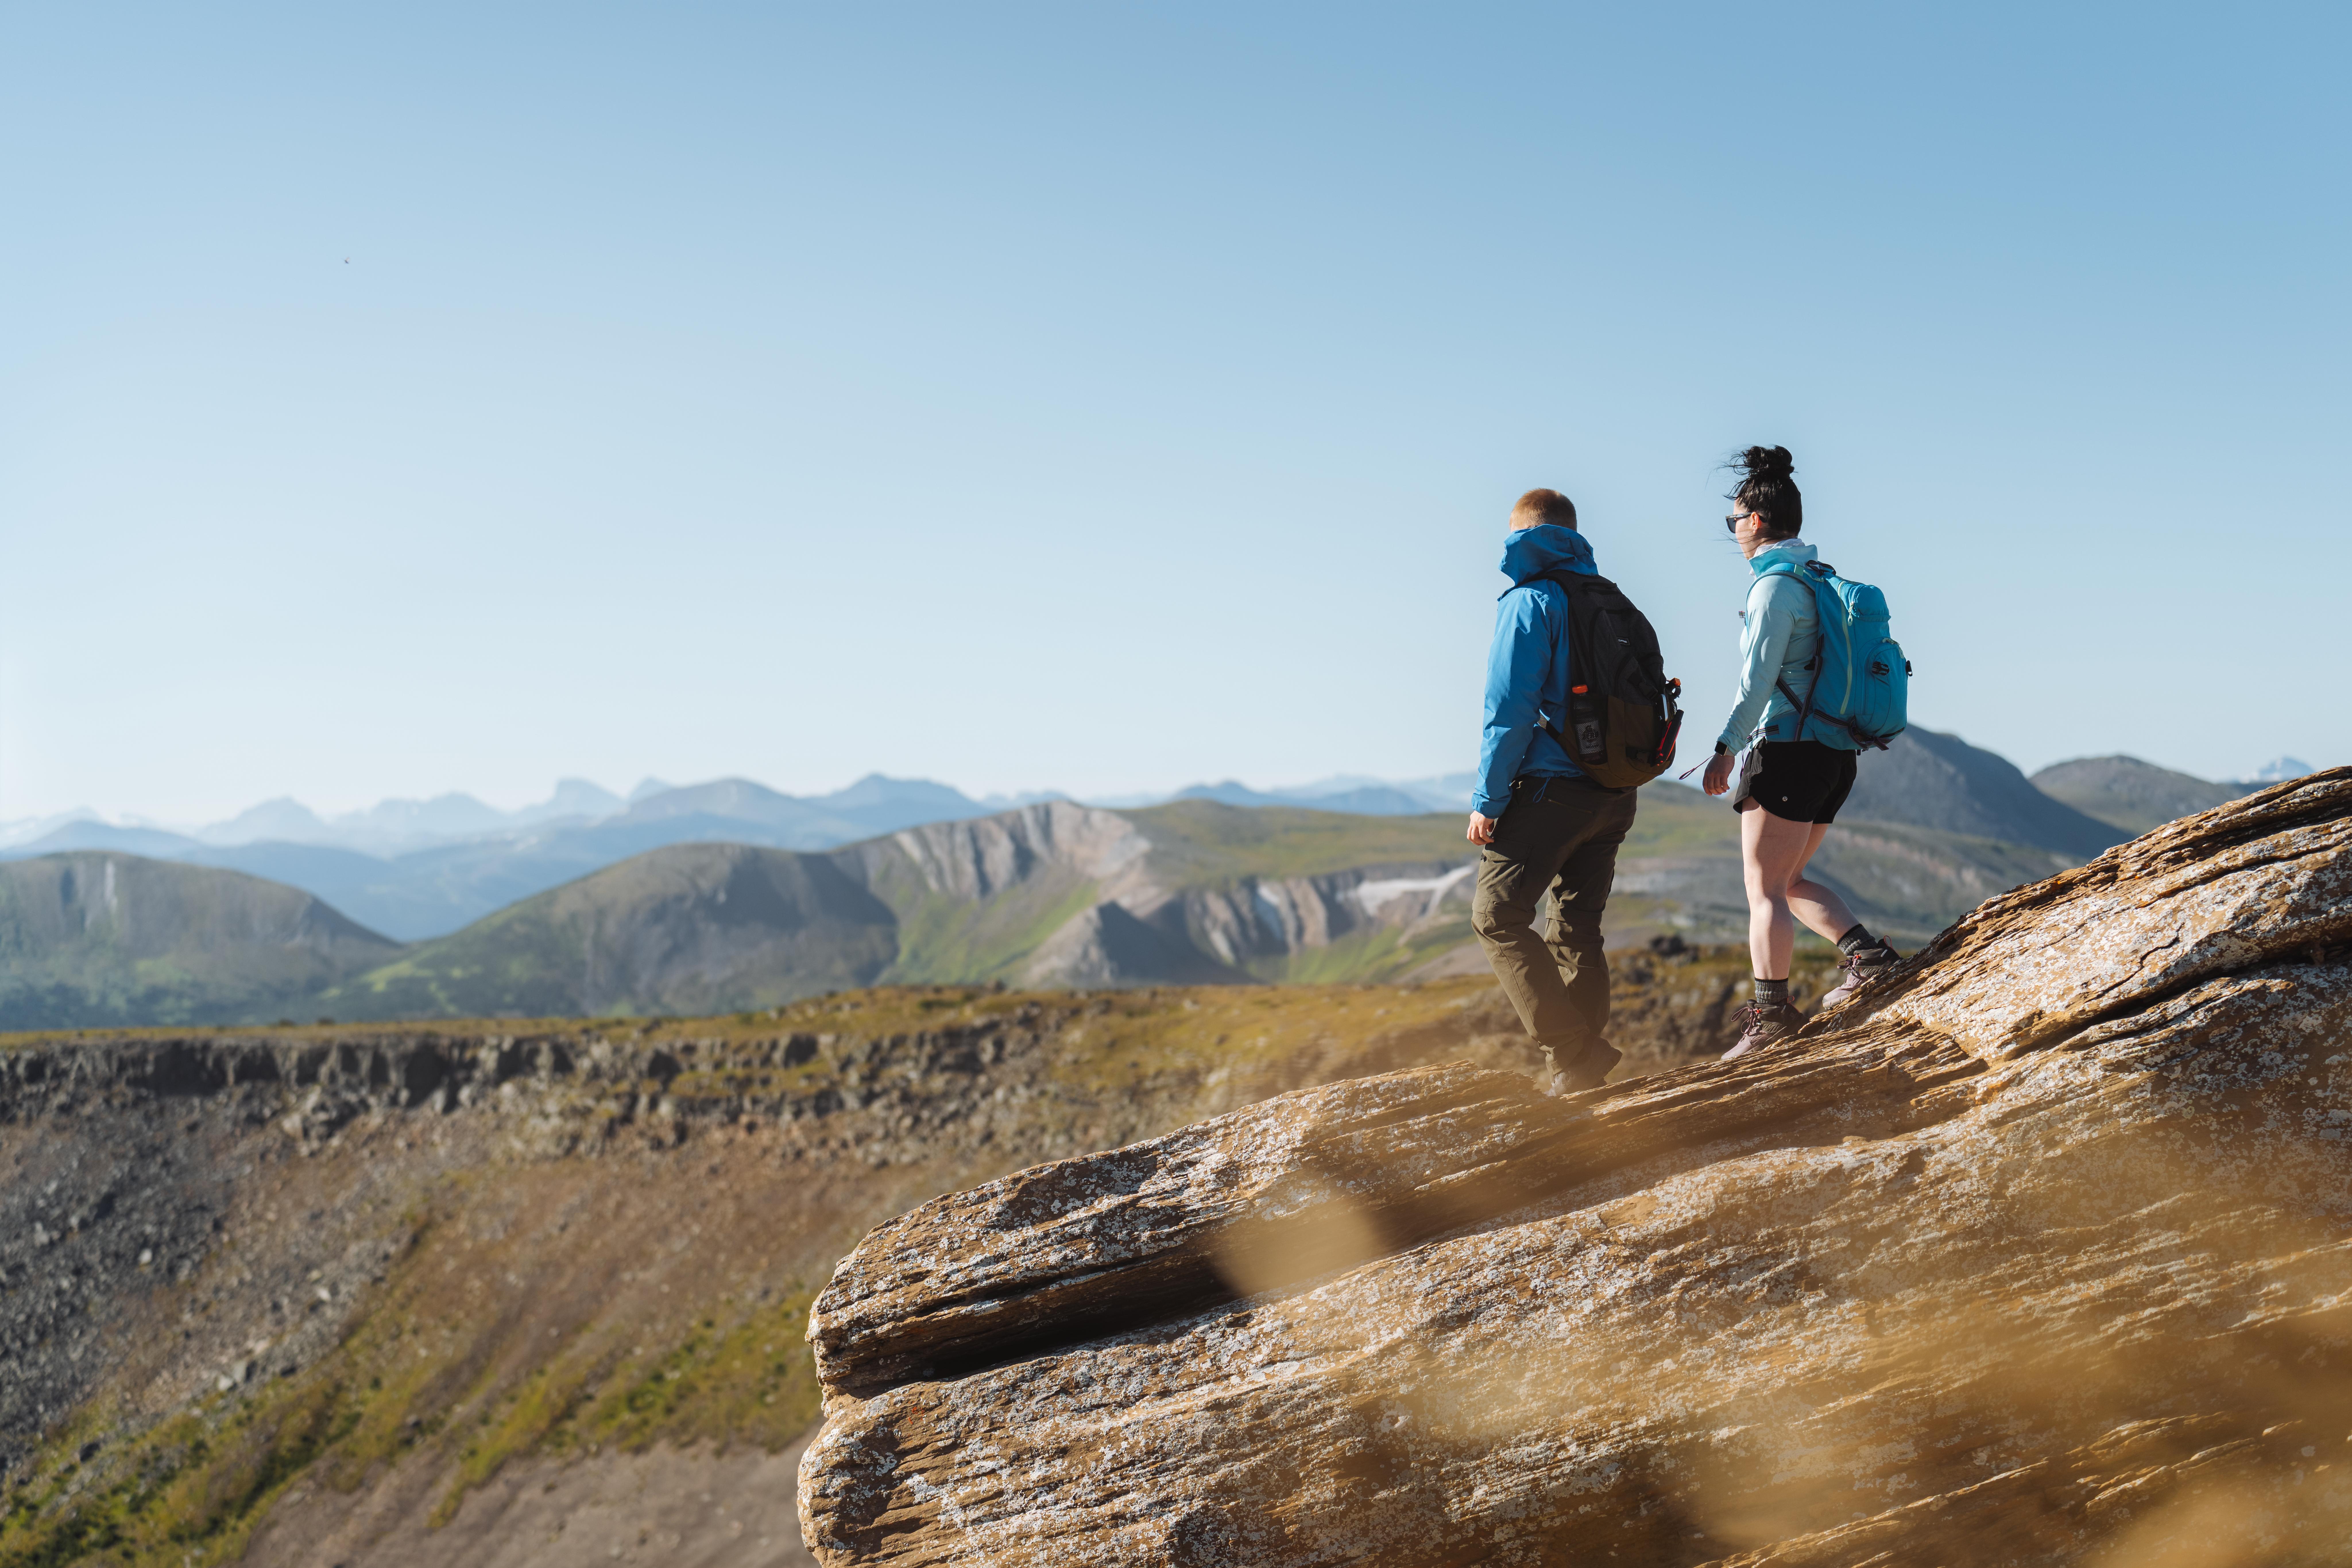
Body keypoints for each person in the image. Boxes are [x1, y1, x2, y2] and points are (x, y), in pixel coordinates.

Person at [1700, 446, 1900, 1057]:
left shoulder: (1773, 589)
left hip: (1787, 749)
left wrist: (1724, 748)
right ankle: (1869, 957)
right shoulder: (1819, 581)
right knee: (1790, 881)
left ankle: (1771, 1019)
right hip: (1836, 756)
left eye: (1734, 520)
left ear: (1755, 522)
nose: (1733, 531)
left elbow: (1756, 683)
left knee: (1762, 888)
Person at [1468, 488, 1635, 1094]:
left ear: (1519, 535)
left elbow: (1508, 710)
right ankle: (1583, 1069)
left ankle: (1572, 1056)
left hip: (1551, 789)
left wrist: (1487, 801)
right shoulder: (1609, 597)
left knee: (1496, 916)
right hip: (1616, 790)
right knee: (1578, 928)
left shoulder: (1530, 601)